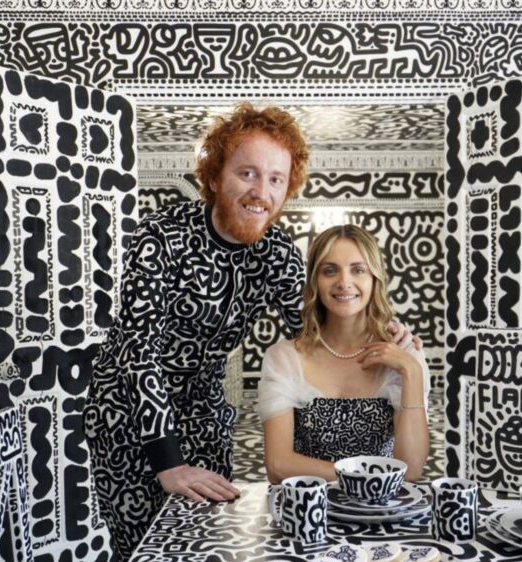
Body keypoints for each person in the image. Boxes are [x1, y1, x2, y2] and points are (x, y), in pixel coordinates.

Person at [83, 105, 416, 560]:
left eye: (276, 179)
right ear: (215, 177)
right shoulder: (159, 236)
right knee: (148, 548)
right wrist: (168, 462)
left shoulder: (276, 252)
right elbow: (139, 351)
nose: (262, 192)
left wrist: (390, 336)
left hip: (203, 412)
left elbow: (317, 328)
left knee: (206, 541)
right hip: (127, 416)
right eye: (248, 174)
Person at [258, 225, 430, 484]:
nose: (344, 282)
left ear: (374, 278)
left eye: (358, 270)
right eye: (330, 270)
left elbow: (412, 468)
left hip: (379, 507)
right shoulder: (284, 358)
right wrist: (370, 479)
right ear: (315, 281)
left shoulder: (403, 355)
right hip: (309, 506)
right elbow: (278, 466)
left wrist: (412, 370)